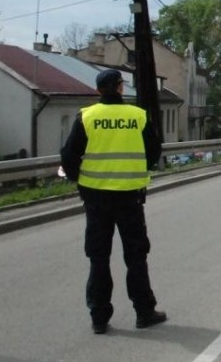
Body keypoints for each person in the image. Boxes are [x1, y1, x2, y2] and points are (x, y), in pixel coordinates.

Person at [60, 69, 167, 335]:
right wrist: (138, 168)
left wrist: (80, 180)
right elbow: (154, 151)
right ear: (120, 88)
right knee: (136, 256)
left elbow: (69, 155)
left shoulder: (87, 117)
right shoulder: (137, 116)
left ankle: (99, 318)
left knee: (98, 258)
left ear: (98, 91)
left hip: (96, 198)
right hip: (130, 196)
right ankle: (144, 312)